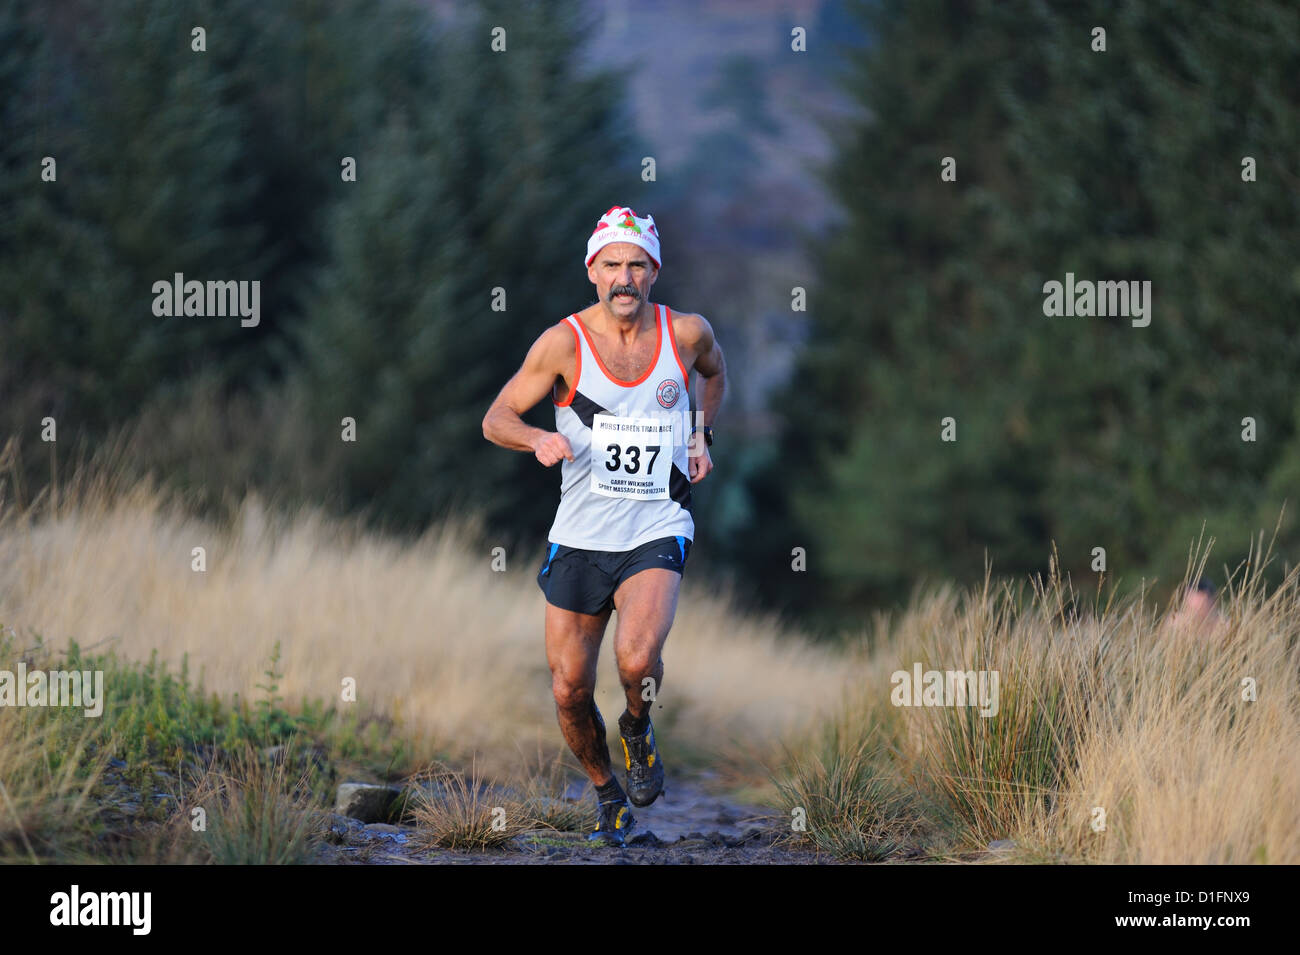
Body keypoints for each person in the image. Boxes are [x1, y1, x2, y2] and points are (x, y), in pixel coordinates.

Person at [481, 206, 727, 846]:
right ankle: (607, 796)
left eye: (637, 265)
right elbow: (496, 416)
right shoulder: (563, 343)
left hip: (657, 519)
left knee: (637, 658)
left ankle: (639, 728)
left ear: (654, 272)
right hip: (581, 533)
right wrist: (536, 438)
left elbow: (715, 374)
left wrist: (700, 434)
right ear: (592, 270)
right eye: (612, 264)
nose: (625, 278)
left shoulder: (687, 334)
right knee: (568, 688)